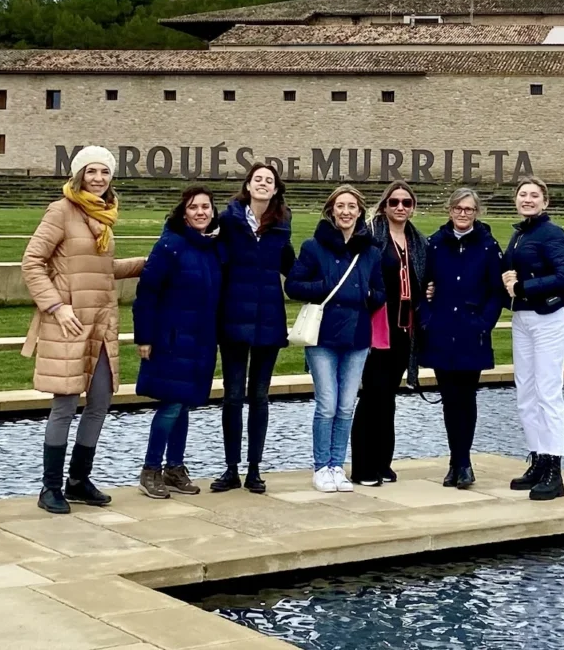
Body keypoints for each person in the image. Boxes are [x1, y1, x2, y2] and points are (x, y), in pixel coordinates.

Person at [21, 146, 147, 514]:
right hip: (69, 323)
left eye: (104, 172)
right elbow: (32, 261)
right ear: (79, 175)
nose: (98, 178)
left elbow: (100, 269)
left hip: (101, 323)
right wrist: (56, 307)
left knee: (100, 402)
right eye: (91, 172)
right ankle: (50, 487)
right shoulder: (61, 211)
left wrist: (146, 263)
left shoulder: (104, 217)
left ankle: (78, 480)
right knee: (64, 406)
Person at [286, 185, 384, 494]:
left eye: (351, 206)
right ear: (331, 211)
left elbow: (381, 291)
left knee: (345, 406)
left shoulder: (370, 251)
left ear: (359, 211)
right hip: (323, 336)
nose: (345, 211)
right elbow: (294, 285)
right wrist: (326, 287)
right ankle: (320, 466)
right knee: (326, 404)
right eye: (340, 206)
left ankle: (337, 466)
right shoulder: (313, 247)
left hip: (357, 336)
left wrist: (367, 295)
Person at [132, 185, 222, 500]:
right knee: (171, 404)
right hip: (171, 338)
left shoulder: (212, 248)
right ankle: (150, 469)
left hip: (200, 340)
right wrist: (144, 336)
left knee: (183, 404)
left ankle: (174, 467)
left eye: (206, 207)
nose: (201, 212)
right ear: (184, 212)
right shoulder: (170, 246)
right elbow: (147, 293)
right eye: (194, 207)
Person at [213, 162, 295, 494]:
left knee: (259, 397)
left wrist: (328, 284)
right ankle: (231, 468)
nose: (262, 184)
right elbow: (213, 257)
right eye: (257, 179)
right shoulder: (228, 222)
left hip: (268, 319)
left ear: (275, 190)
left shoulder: (281, 226)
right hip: (233, 317)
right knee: (233, 397)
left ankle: (255, 469)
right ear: (248, 185)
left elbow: (292, 266)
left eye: (269, 181)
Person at [420, 188, 505, 489]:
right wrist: (427, 317)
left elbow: (497, 291)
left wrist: (483, 323)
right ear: (450, 210)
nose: (463, 214)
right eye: (458, 208)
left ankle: (463, 462)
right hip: (442, 330)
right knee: (449, 399)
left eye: (469, 209)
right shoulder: (434, 243)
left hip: (472, 333)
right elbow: (422, 285)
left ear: (476, 212)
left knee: (466, 398)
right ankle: (455, 461)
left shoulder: (487, 246)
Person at [351, 181, 427, 486]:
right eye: (394, 202)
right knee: (372, 394)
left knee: (388, 397)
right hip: (377, 325)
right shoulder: (370, 235)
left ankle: (383, 461)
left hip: (404, 328)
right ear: (384, 205)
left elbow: (423, 277)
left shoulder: (417, 241)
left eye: (406, 203)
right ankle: (362, 466)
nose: (400, 207)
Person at [502, 176, 564, 501]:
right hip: (523, 318)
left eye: (533, 196)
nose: (527, 199)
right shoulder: (519, 234)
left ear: (545, 202)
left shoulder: (552, 233)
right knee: (526, 392)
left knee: (547, 391)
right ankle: (538, 459)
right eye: (523, 195)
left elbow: (563, 277)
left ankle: (554, 471)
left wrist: (523, 287)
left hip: (548, 318)